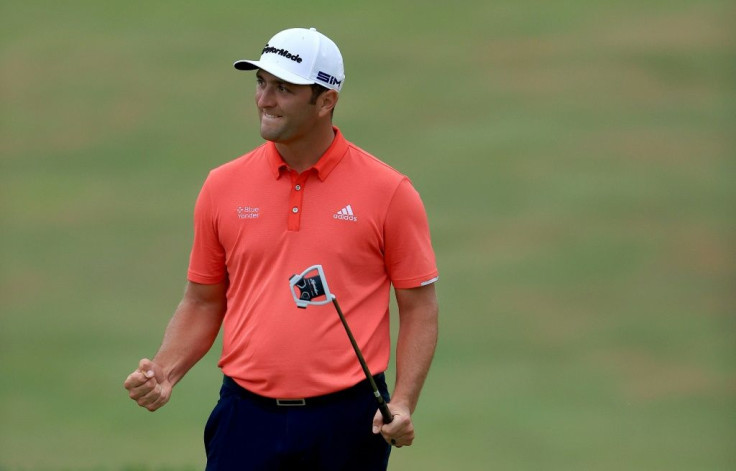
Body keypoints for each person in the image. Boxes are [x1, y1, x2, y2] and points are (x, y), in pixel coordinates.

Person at [124, 27, 439, 470]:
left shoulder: (389, 192)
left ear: (326, 100)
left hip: (348, 421)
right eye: (261, 83)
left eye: (284, 89)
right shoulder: (222, 186)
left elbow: (420, 307)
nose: (264, 100)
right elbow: (202, 300)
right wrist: (165, 371)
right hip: (245, 416)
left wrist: (403, 402)